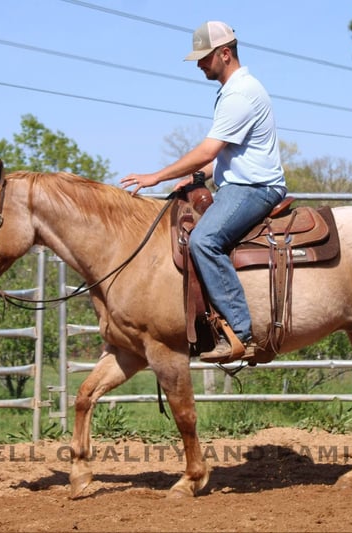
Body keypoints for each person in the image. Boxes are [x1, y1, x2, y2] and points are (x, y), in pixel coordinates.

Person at [121, 21, 286, 362]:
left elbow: (209, 150)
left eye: (204, 57)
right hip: (240, 184)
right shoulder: (233, 91)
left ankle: (240, 333)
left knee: (203, 240)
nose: (199, 64)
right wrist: (197, 177)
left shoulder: (240, 94)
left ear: (225, 54)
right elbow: (225, 157)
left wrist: (157, 176)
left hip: (255, 188)